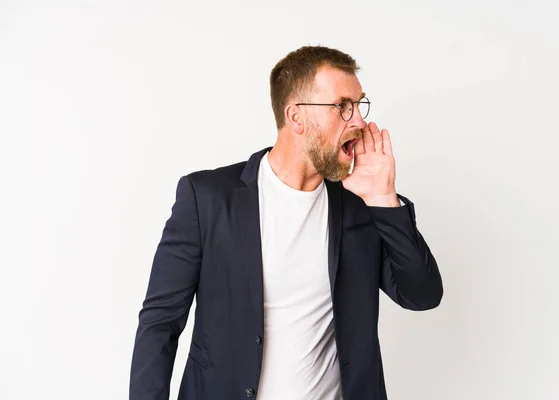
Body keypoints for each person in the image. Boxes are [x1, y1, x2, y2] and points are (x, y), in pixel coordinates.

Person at [129, 45, 443, 400]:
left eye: (359, 105)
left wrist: (384, 197)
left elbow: (423, 295)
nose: (358, 121)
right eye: (343, 106)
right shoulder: (207, 199)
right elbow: (160, 323)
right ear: (296, 117)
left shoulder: (361, 206)